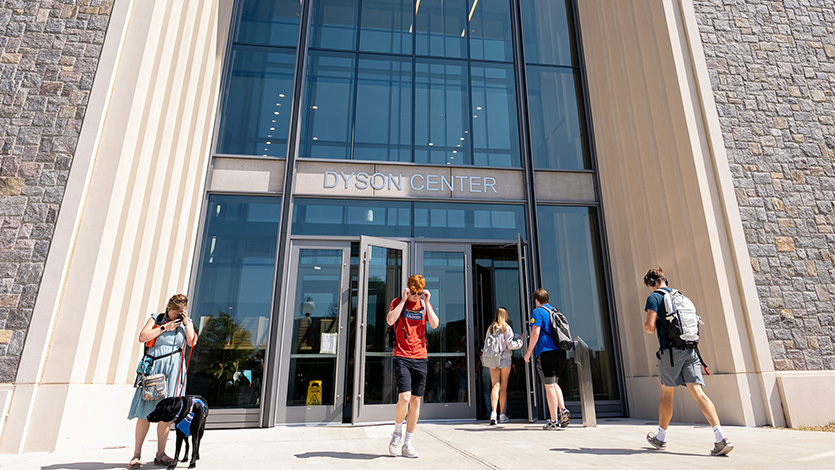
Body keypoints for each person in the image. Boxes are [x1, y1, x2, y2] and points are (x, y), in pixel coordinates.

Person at [642, 267, 733, 456]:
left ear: (651, 283)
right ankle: (721, 438)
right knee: (698, 392)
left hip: (671, 353)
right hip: (691, 350)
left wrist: (650, 323)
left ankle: (660, 437)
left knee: (667, 392)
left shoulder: (655, 298)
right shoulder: (680, 296)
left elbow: (650, 328)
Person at [128, 294, 198, 468]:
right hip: (155, 369)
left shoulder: (184, 323)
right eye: (175, 311)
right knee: (145, 412)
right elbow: (142, 337)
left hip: (174, 371)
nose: (176, 315)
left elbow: (192, 342)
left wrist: (187, 322)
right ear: (168, 308)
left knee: (167, 414)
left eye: (180, 312)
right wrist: (164, 327)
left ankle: (161, 453)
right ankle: (136, 454)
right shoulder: (156, 319)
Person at [386, 275, 439, 458]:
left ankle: (408, 443)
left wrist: (427, 302)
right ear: (408, 289)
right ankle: (397, 433)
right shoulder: (398, 302)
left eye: (418, 293)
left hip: (420, 357)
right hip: (402, 355)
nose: (415, 296)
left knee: (416, 401)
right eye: (413, 293)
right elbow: (390, 320)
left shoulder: (423, 304)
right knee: (405, 398)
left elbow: (434, 323)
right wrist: (402, 300)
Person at [523, 288, 570, 429]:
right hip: (560, 352)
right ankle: (563, 410)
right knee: (555, 383)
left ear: (537, 300)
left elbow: (535, 332)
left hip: (546, 352)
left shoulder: (538, 312)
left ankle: (554, 421)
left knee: (549, 386)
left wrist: (528, 352)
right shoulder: (555, 311)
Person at [482, 307, 523, 425]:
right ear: (503, 315)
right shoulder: (507, 327)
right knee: (503, 388)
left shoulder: (491, 328)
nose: (508, 317)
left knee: (495, 385)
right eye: (507, 315)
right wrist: (521, 342)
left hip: (492, 360)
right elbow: (510, 345)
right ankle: (502, 415)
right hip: (504, 360)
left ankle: (493, 413)